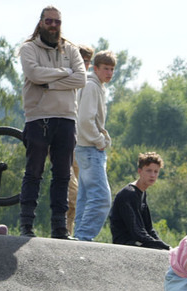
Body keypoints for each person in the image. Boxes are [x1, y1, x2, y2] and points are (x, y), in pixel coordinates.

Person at [17, 5, 85, 238]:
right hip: (38, 117)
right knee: (34, 172)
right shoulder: (28, 48)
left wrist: (51, 82)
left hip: (66, 118)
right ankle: (27, 224)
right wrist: (65, 72)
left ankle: (59, 227)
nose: (53, 25)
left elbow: (81, 78)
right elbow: (34, 74)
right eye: (49, 21)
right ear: (41, 22)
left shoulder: (71, 49)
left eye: (57, 21)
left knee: (63, 175)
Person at [72, 49, 113, 241]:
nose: (109, 73)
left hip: (85, 148)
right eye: (105, 68)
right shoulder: (91, 86)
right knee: (101, 198)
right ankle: (84, 237)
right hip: (89, 148)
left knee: (86, 196)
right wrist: (99, 141)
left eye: (112, 69)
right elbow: (85, 120)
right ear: (95, 68)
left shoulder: (94, 86)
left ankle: (80, 236)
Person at [109, 151, 169, 249]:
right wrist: (163, 247)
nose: (152, 175)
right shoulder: (129, 194)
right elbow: (137, 231)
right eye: (149, 171)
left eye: (156, 171)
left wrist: (165, 246)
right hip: (126, 244)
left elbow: (149, 229)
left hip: (138, 241)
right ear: (140, 171)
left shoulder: (142, 193)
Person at [65, 43, 92, 236]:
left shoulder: (88, 84)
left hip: (80, 145)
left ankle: (69, 232)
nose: (84, 64)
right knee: (72, 192)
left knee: (80, 195)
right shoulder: (69, 79)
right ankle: (61, 231)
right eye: (82, 60)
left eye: (87, 61)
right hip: (64, 141)